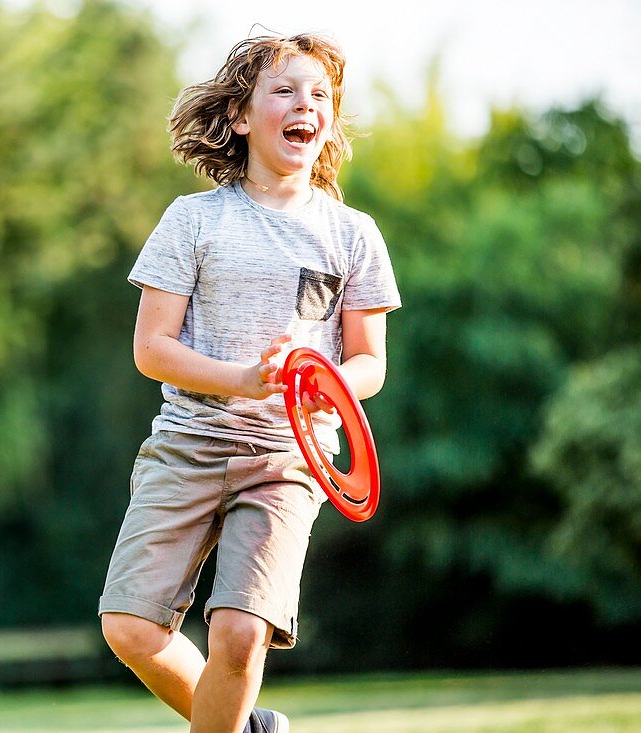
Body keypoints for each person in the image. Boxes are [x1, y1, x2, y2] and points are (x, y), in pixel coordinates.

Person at [97, 33, 402, 733]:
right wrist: (243, 378)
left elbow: (370, 363)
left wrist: (320, 381)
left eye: (320, 95)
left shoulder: (353, 234)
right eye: (286, 91)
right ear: (240, 115)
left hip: (288, 460)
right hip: (188, 444)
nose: (307, 106)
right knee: (128, 627)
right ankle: (251, 727)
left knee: (239, 631)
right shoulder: (193, 221)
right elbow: (152, 348)